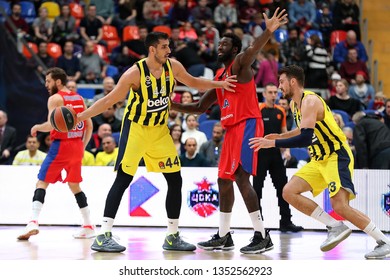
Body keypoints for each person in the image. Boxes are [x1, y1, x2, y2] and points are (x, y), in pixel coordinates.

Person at [76, 31, 237, 253]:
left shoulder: (173, 66)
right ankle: (103, 234)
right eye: (164, 47)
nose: (169, 50)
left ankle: (172, 236)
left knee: (175, 179)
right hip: (136, 129)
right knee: (123, 179)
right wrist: (82, 116)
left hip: (160, 131)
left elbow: (193, 82)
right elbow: (109, 100)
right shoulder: (134, 73)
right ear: (152, 49)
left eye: (168, 46)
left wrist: (220, 84)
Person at [171, 8, 288, 254]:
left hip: (247, 124)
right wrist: (170, 104)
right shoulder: (220, 77)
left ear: (234, 50)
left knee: (242, 178)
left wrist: (267, 31)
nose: (219, 47)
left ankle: (262, 235)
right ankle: (224, 236)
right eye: (219, 44)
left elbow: (252, 51)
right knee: (224, 180)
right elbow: (200, 107)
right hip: (231, 129)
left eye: (225, 44)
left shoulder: (239, 65)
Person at [249, 65, 390, 259]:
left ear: (292, 81)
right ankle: (334, 226)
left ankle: (384, 241)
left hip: (335, 155)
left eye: (281, 82)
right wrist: (281, 135)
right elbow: (302, 129)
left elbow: (306, 138)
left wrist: (273, 142)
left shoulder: (311, 101)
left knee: (340, 205)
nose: (279, 86)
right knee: (289, 191)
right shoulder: (293, 105)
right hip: (318, 159)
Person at [17, 67, 95, 241]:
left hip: (61, 146)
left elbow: (53, 125)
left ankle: (33, 221)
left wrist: (37, 127)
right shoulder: (79, 98)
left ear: (58, 82)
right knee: (74, 185)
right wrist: (82, 146)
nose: (46, 84)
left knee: (42, 182)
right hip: (76, 146)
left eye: (48, 81)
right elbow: (89, 125)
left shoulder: (55, 98)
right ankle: (89, 225)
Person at [253, 83, 303, 233]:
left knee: (283, 188)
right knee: (256, 190)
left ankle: (286, 221)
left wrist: (286, 150)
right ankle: (258, 225)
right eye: (270, 92)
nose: (274, 95)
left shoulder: (281, 111)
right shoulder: (258, 110)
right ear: (264, 94)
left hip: (275, 154)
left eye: (275, 92)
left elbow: (284, 132)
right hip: (260, 153)